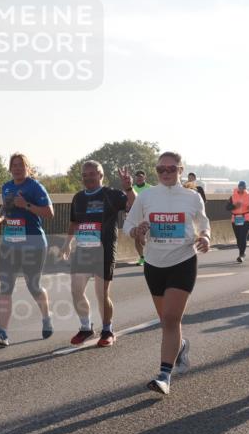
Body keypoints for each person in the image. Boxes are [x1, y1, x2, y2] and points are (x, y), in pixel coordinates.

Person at [127, 152, 211, 395]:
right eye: (161, 169)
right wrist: (137, 231)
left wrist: (205, 236)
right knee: (166, 322)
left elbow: (204, 224)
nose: (166, 173)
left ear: (180, 170)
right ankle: (181, 345)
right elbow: (128, 225)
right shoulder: (147, 196)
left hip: (183, 261)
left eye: (171, 169)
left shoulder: (192, 197)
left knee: (172, 319)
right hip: (153, 263)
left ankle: (164, 375)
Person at [60, 162, 136, 347]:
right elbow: (74, 223)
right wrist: (67, 243)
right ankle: (86, 328)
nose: (88, 177)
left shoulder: (111, 194)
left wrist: (128, 188)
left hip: (104, 251)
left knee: (102, 293)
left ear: (101, 175)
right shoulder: (78, 198)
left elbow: (133, 205)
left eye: (92, 174)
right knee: (76, 290)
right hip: (83, 251)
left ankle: (107, 330)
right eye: (85, 175)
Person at [0, 153, 55, 347]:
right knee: (5, 286)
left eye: (21, 165)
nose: (17, 168)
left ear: (27, 168)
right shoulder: (6, 187)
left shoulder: (35, 187)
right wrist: (0, 218)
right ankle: (2, 332)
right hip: (10, 243)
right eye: (14, 165)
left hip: (33, 243)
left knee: (33, 286)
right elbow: (6, 207)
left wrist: (25, 204)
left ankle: (46, 316)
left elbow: (50, 213)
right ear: (10, 168)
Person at [228, 180, 249, 262]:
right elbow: (227, 207)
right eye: (240, 187)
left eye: (243, 187)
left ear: (245, 188)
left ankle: (241, 254)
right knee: (238, 238)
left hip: (246, 218)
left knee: (243, 236)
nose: (241, 189)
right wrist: (234, 206)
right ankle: (241, 252)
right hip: (235, 219)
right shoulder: (233, 196)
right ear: (238, 187)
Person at [132, 170, 151, 266]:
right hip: (136, 217)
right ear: (135, 178)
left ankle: (150, 254)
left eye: (141, 176)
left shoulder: (150, 188)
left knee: (145, 238)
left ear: (144, 178)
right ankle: (142, 258)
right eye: (137, 177)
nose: (139, 178)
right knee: (137, 238)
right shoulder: (133, 189)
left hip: (148, 217)